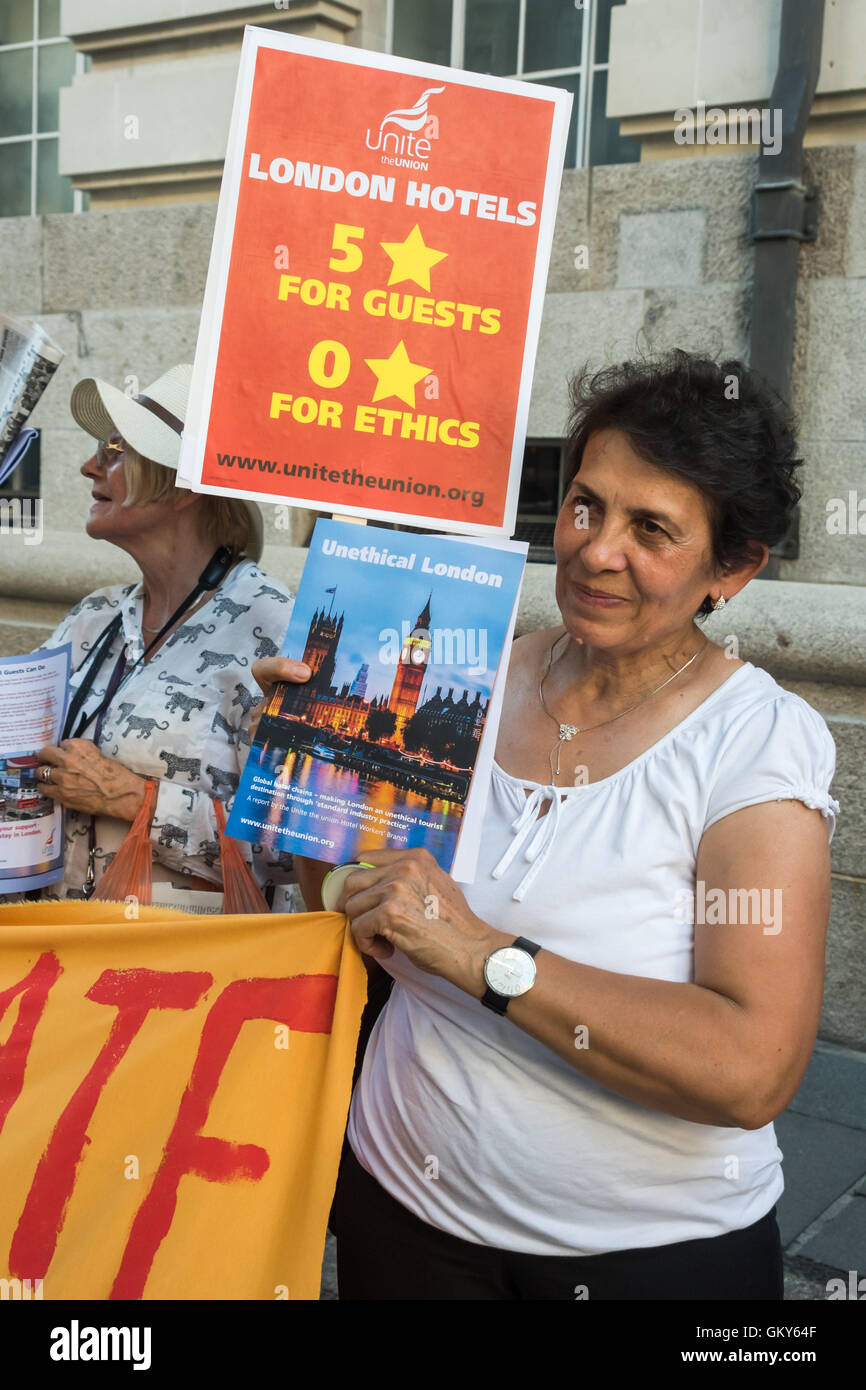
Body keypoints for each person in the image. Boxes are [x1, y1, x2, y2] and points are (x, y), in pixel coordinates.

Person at [262, 349, 840, 1300]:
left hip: (645, 1262)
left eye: (651, 528)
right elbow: (344, 895)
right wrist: (300, 761)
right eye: (586, 505)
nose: (596, 549)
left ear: (731, 569)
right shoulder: (476, 673)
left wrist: (486, 955)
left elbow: (749, 1070)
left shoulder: (757, 743)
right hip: (398, 1212)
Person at [36, 363, 310, 908]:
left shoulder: (276, 628)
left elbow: (296, 858)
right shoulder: (92, 616)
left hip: (183, 977)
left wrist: (136, 800)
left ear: (184, 486)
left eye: (115, 450)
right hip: (53, 956)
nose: (89, 466)